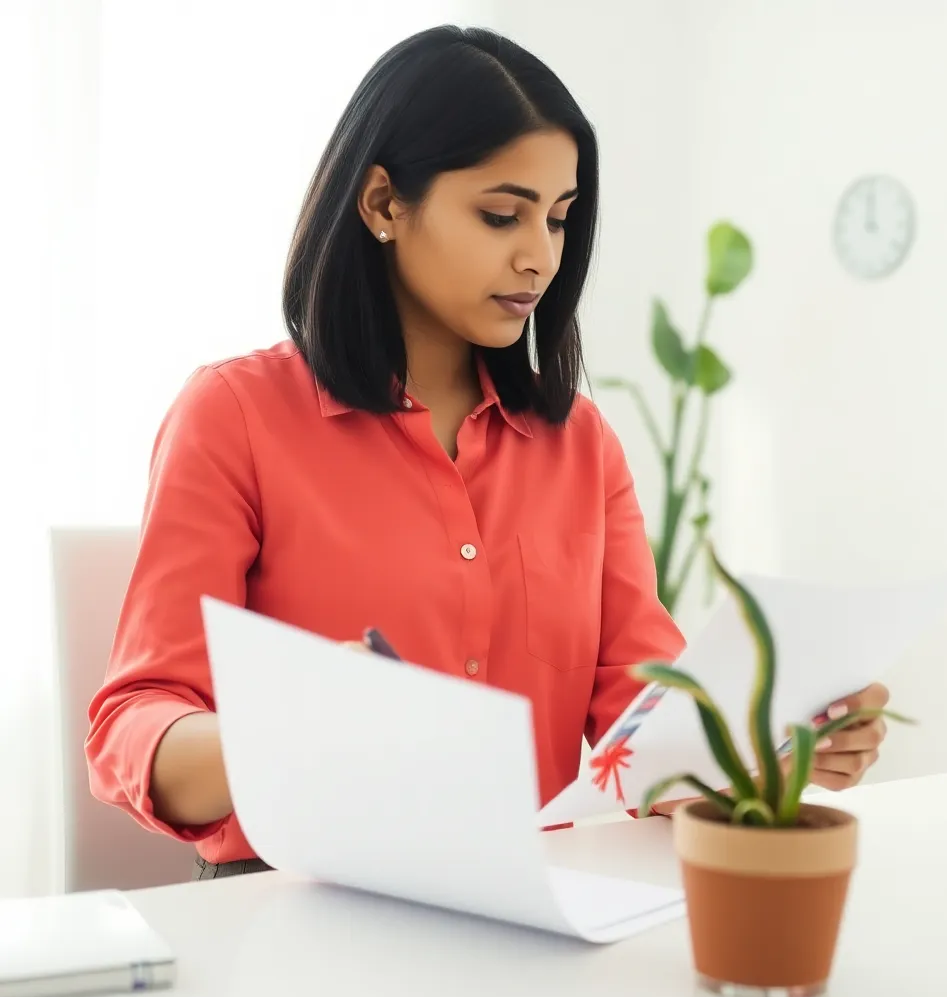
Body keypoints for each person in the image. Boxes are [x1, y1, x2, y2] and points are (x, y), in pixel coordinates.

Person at [84, 25, 890, 881]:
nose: (539, 256)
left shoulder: (582, 447)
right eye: (501, 214)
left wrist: (769, 751)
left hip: (518, 906)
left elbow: (641, 723)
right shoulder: (234, 416)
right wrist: (289, 720)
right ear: (384, 204)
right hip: (294, 909)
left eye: (559, 218)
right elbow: (130, 725)